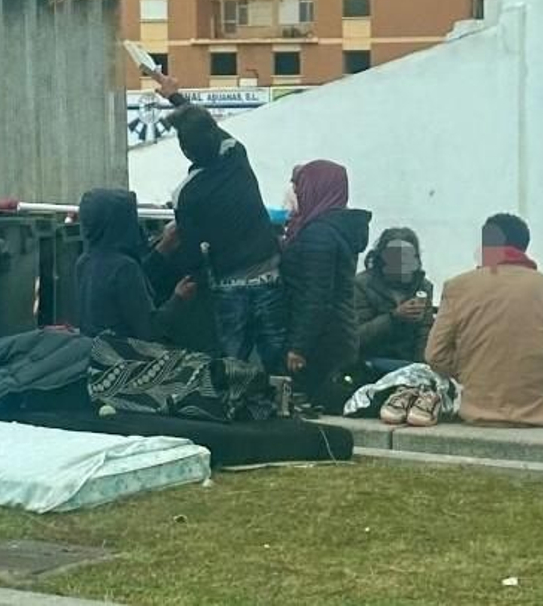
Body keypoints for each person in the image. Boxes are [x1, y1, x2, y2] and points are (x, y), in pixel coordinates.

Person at [146, 71, 283, 364]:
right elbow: (206, 126)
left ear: (185, 151)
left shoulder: (187, 194)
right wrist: (174, 96)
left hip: (228, 283)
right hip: (269, 272)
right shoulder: (236, 156)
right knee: (274, 356)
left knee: (233, 361)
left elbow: (191, 250)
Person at [424, 213, 543, 427]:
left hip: (476, 412)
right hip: (537, 415)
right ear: (524, 245)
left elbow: (435, 354)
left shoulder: (458, 286)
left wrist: (472, 371)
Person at [279, 160, 370, 407]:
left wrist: (299, 346)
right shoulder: (337, 228)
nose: (297, 192)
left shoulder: (319, 234)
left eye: (300, 187)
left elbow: (316, 296)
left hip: (320, 343)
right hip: (338, 334)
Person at [75, 188, 195, 342]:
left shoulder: (84, 262)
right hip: (125, 352)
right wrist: (179, 298)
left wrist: (162, 249)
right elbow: (150, 330)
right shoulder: (125, 267)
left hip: (95, 350)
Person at [353, 228, 435, 374]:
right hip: (369, 362)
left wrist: (422, 370)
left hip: (408, 364)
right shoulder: (361, 285)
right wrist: (394, 317)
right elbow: (357, 337)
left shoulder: (423, 287)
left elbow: (425, 332)